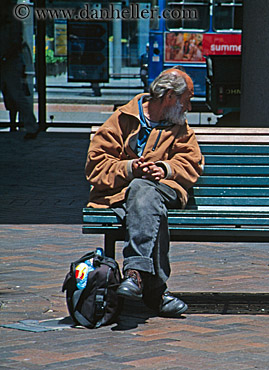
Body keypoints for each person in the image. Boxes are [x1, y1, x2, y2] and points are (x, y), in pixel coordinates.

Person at [85, 68, 203, 317]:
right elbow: (96, 167)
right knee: (145, 200)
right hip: (122, 194)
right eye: (187, 99)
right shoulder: (123, 119)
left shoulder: (179, 127)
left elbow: (192, 163)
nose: (189, 107)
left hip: (166, 189)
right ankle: (156, 292)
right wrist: (130, 168)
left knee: (144, 191)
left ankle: (135, 274)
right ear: (170, 95)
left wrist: (165, 168)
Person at [0, 5, 40, 139]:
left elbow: (15, 43)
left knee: (17, 94)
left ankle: (31, 125)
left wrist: (5, 56)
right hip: (8, 60)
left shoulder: (12, 22)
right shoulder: (11, 21)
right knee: (16, 94)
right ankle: (30, 125)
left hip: (9, 61)